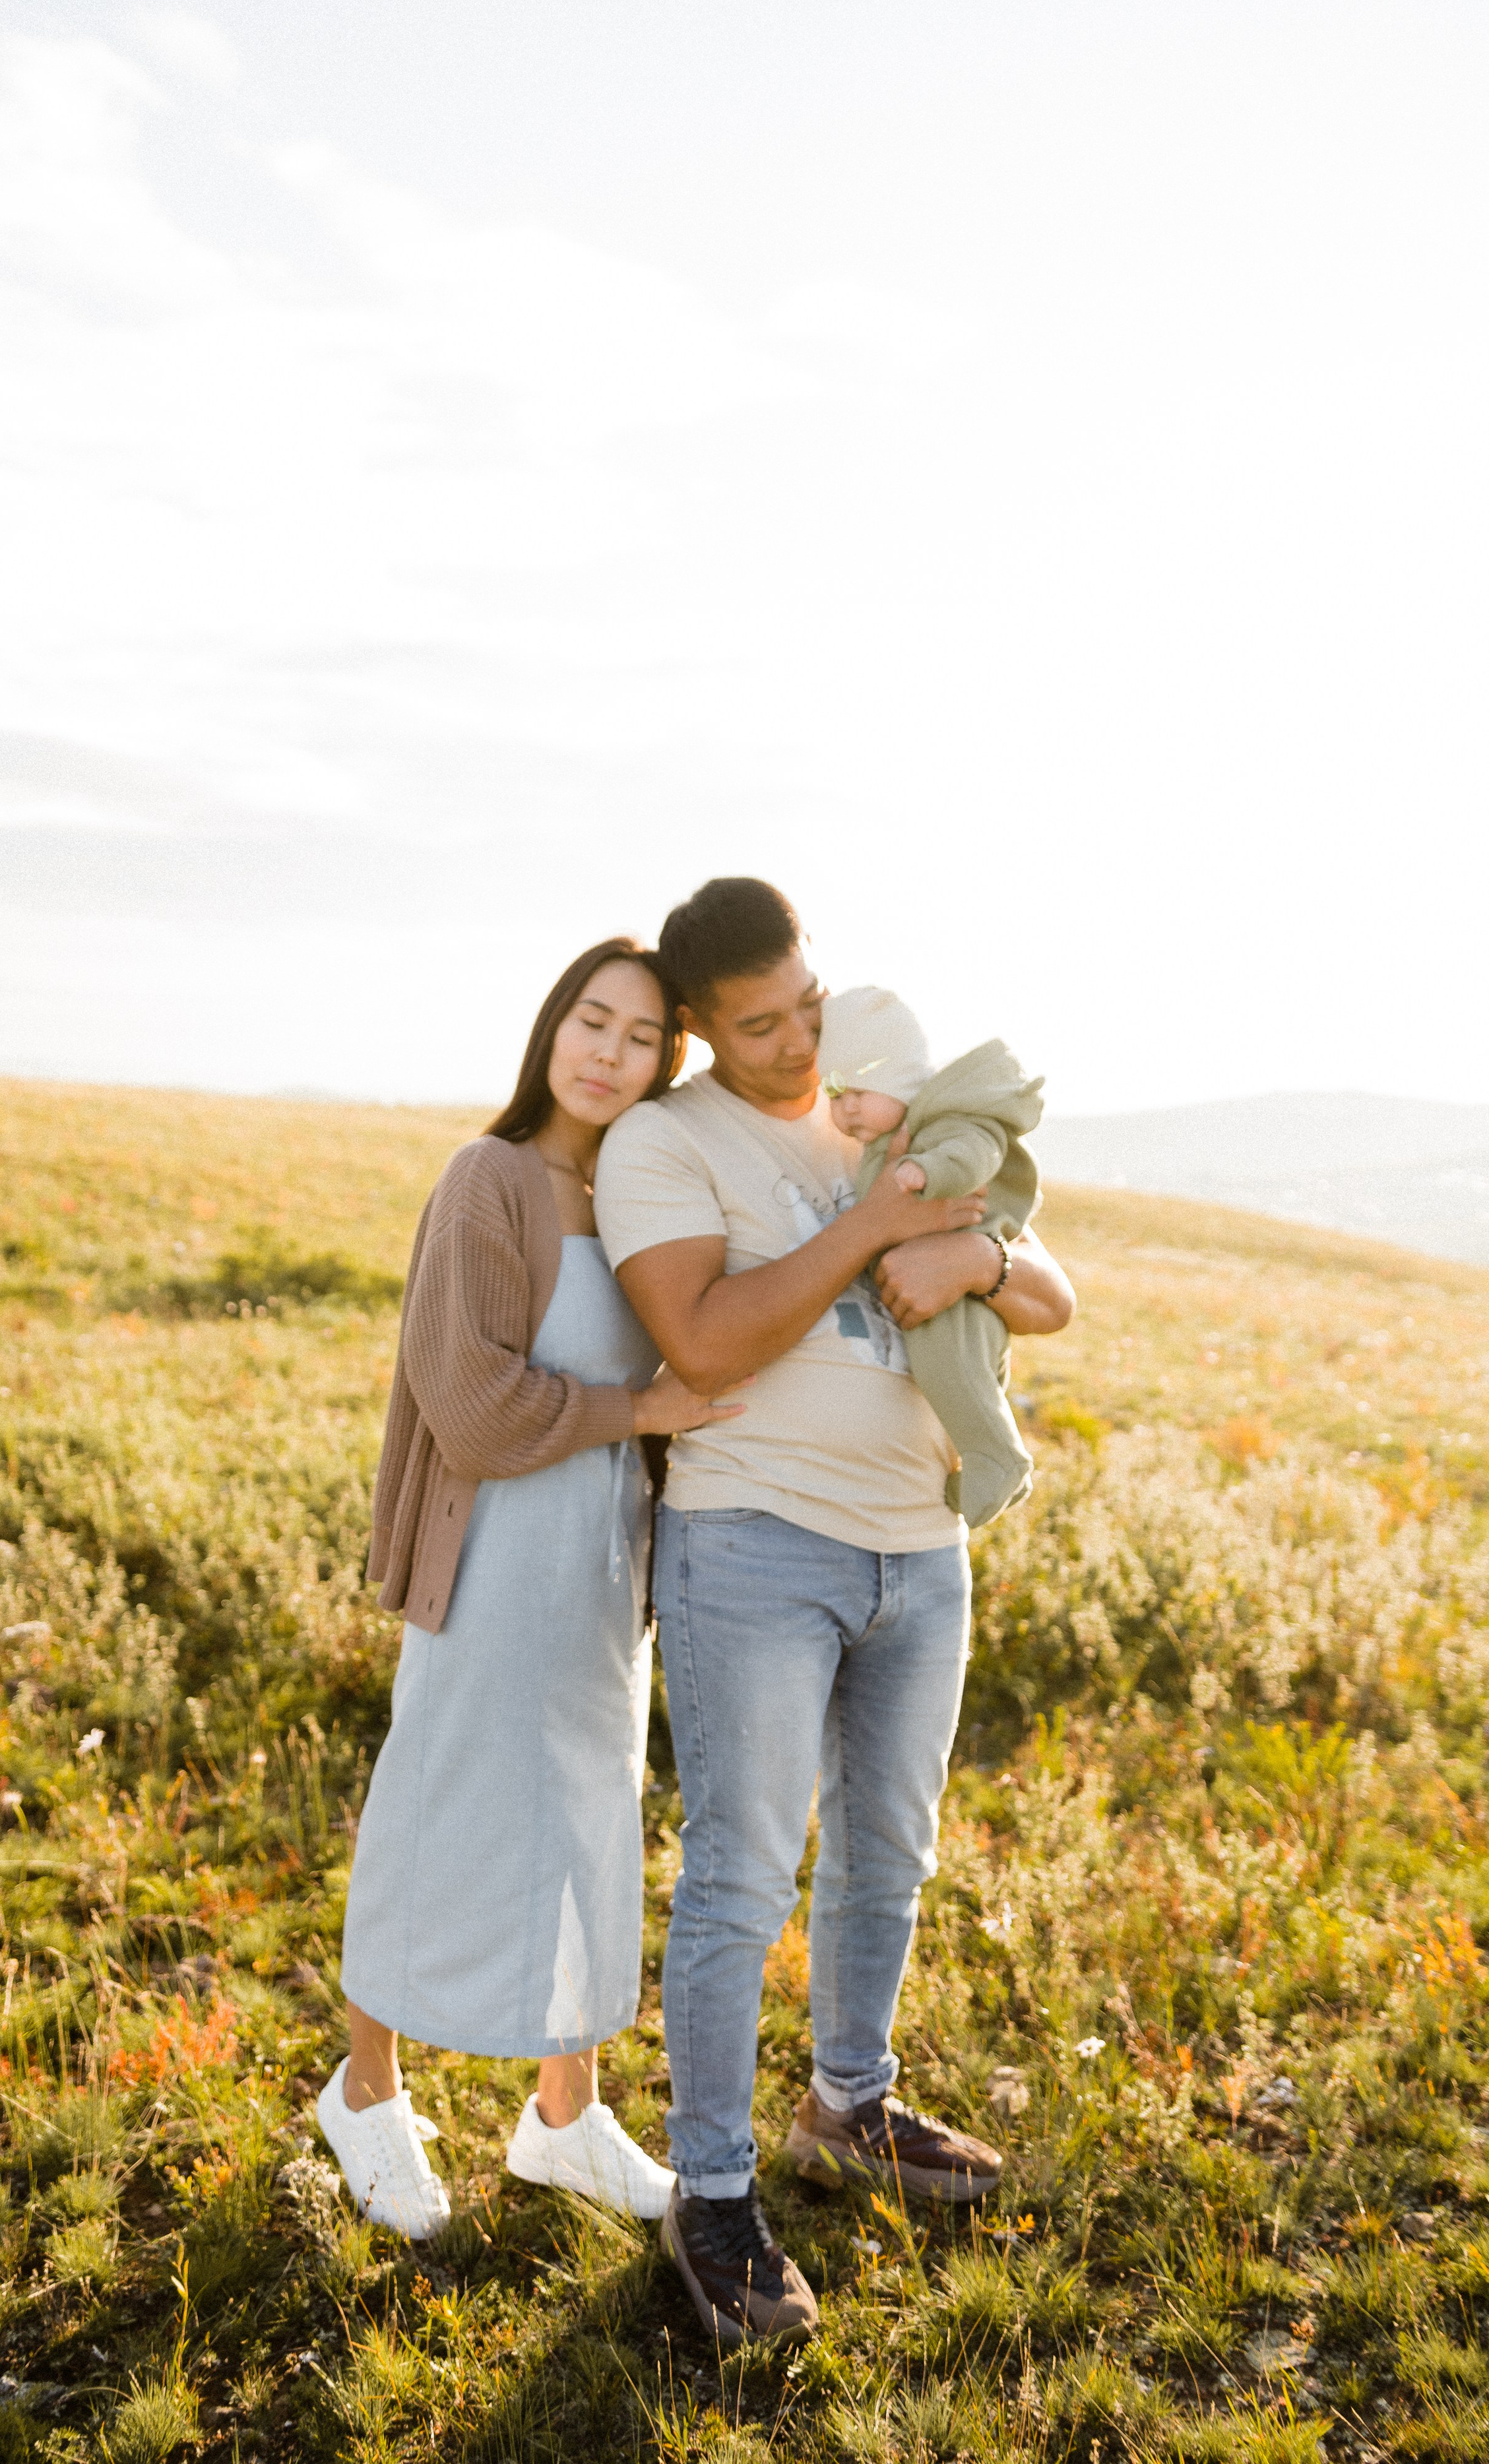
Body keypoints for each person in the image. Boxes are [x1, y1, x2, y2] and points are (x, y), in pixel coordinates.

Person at [592, 879, 1075, 2347]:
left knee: (889, 1853)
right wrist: (872, 1225)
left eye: (806, 1001)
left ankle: (848, 2110)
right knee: (740, 1876)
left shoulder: (874, 1101)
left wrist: (977, 1256)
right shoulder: (662, 1142)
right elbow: (704, 1330)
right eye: (759, 1024)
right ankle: (716, 2193)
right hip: (754, 1545)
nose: (798, 1038)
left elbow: (1046, 1280)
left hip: (919, 1550)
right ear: (696, 1029)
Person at [319, 937, 744, 2239]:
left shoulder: (639, 1193)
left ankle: (565, 2120)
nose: (608, 1054)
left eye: (640, 1040)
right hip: (493, 1561)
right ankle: (365, 2094)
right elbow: (475, 1410)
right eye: (591, 1022)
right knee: (436, 1812)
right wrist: (638, 1406)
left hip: (602, 1579)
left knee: (587, 1829)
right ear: (551, 1026)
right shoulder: (487, 1180)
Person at [817, 984, 1046, 1529]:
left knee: (951, 1370)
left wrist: (929, 1173)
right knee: (969, 1377)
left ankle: (999, 1458)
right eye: (833, 1091)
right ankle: (996, 1459)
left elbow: (975, 1151)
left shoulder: (942, 1120)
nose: (846, 1108)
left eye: (861, 1089)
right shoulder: (890, 1137)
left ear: (900, 1076)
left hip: (953, 1290)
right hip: (944, 1289)